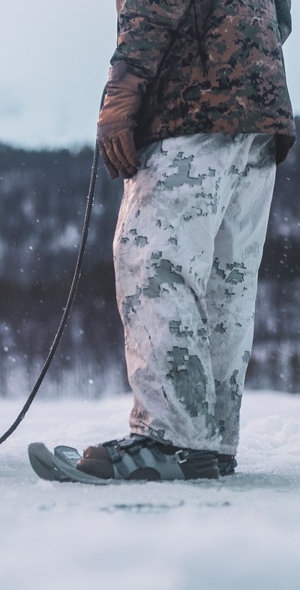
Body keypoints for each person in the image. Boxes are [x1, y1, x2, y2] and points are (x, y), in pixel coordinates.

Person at [79, 0, 295, 480]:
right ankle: (207, 443)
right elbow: (281, 17)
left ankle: (170, 437)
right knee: (226, 281)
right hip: (259, 109)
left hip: (191, 105)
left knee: (154, 261)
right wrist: (239, 57)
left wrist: (122, 92)